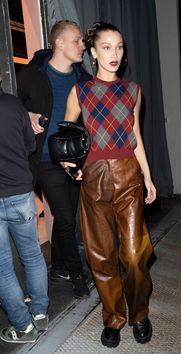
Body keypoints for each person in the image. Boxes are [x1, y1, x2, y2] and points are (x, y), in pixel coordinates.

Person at [62, 22, 157, 348]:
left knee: (133, 255)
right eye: (106, 47)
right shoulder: (81, 92)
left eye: (119, 47)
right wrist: (69, 162)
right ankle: (113, 317)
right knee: (101, 257)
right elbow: (67, 134)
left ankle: (139, 313)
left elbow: (136, 138)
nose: (114, 53)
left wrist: (147, 175)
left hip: (128, 175)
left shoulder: (133, 90)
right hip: (94, 178)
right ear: (92, 53)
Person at [16, 20, 92, 298]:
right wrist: (27, 115)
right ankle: (77, 275)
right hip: (45, 160)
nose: (82, 45)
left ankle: (59, 264)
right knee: (65, 218)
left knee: (67, 215)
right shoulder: (33, 74)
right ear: (59, 43)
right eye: (77, 40)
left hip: (73, 160)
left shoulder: (83, 78)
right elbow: (10, 104)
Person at [0, 74, 49, 343]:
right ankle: (40, 314)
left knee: (2, 268)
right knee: (32, 256)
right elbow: (30, 146)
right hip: (20, 193)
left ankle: (22, 327)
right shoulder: (14, 105)